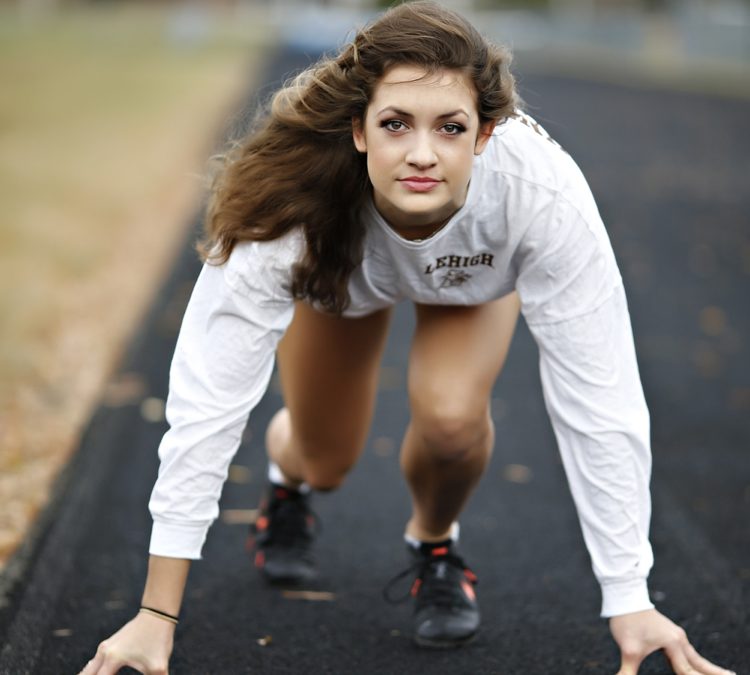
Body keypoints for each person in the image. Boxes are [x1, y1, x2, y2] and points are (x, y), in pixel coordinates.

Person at [79, 3, 736, 674]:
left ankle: (434, 543)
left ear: (483, 134)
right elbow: (207, 404)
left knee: (452, 419)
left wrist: (629, 595)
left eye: (449, 127)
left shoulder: (540, 197)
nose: (422, 152)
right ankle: (288, 473)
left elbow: (601, 398)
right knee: (322, 457)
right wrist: (156, 614)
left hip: (472, 284)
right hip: (343, 273)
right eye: (396, 124)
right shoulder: (291, 213)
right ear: (360, 129)